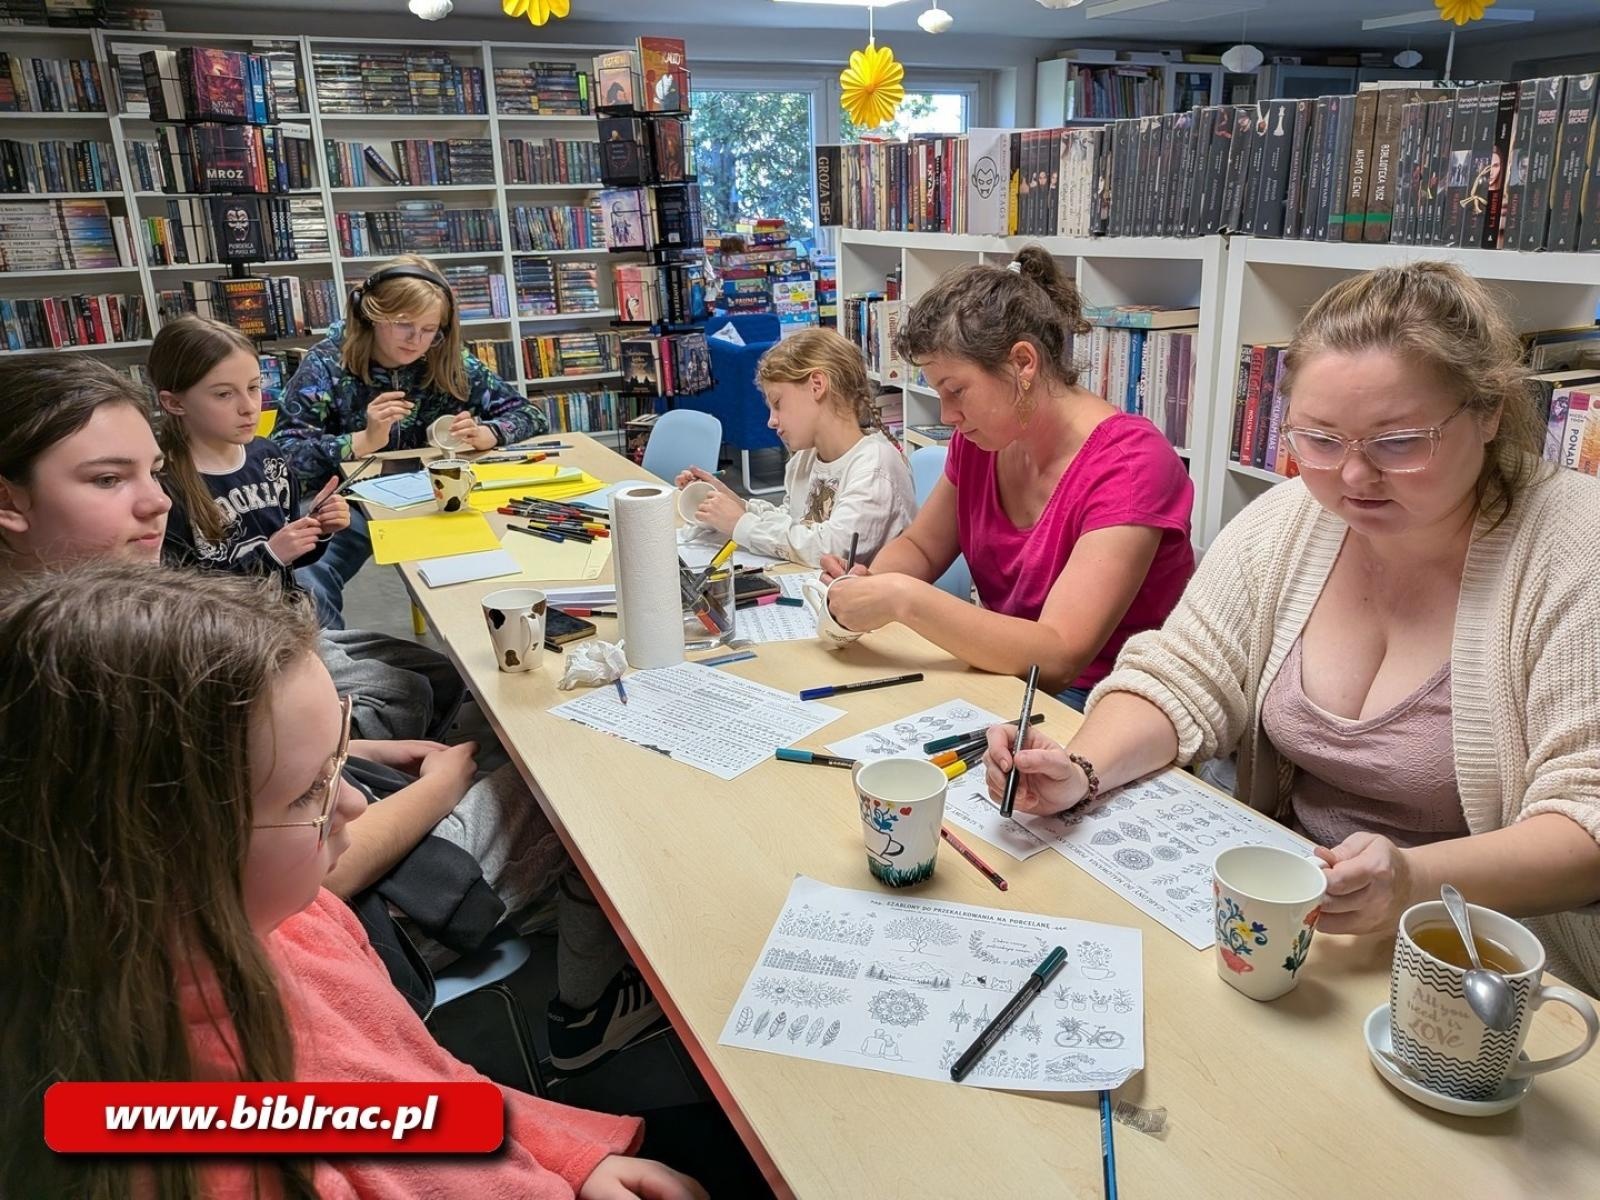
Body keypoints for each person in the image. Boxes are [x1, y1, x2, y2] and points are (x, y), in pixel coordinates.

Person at [0, 354, 661, 1067]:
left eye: (152, 471)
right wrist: (432, 790)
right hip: (355, 915)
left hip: (322, 871)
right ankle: (588, 1014)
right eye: (106, 479)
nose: (158, 501)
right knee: (570, 776)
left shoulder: (90, 631)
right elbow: (299, 887)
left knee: (486, 716)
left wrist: (347, 762)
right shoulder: (82, 683)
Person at [0, 561, 706, 1200]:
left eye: (342, 757)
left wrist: (571, 1156)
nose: (356, 804)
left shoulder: (297, 918)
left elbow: (423, 1090)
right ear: (157, 854)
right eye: (310, 791)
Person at [984, 262, 1600, 994]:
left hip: (1483, 965)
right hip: (1296, 927)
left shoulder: (1572, 549)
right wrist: (1079, 770)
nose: (1353, 479)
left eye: (1399, 442)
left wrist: (1410, 881)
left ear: (1489, 411)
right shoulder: (1292, 520)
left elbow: (1584, 825)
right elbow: (1178, 674)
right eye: (1320, 440)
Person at [819, 246, 1195, 708]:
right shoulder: (983, 439)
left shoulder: (1131, 464)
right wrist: (869, 585)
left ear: (1023, 363)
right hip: (1006, 680)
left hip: (1106, 702)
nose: (947, 414)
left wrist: (900, 598)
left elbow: (1058, 657)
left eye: (956, 390)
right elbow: (921, 547)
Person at [273, 254, 548, 626]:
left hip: (439, 496)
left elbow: (531, 414)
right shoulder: (326, 364)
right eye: (403, 325)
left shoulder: (446, 358)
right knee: (307, 578)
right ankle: (331, 673)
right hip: (351, 503)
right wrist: (359, 441)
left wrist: (490, 432)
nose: (417, 340)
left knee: (526, 546)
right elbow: (283, 458)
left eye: (430, 328)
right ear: (370, 314)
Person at [675, 327, 916, 567]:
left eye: (778, 403)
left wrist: (741, 523)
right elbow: (792, 523)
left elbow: (831, 550)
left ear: (817, 385)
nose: (771, 420)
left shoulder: (875, 466)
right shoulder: (804, 459)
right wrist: (735, 504)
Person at [151, 315, 351, 586]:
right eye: (224, 394)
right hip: (226, 627)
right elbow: (184, 599)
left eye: (254, 387)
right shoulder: (163, 488)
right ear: (174, 402)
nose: (249, 406)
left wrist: (317, 528)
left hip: (287, 617)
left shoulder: (269, 457)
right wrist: (269, 557)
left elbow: (290, 560)